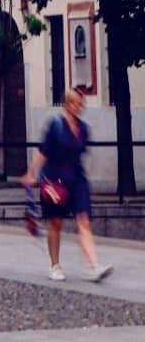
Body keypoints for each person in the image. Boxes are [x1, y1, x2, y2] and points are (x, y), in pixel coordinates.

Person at [24, 86, 112, 283]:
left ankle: (93, 266)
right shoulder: (55, 126)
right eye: (74, 103)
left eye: (81, 104)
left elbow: (79, 154)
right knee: (56, 222)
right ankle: (55, 265)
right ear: (66, 104)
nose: (78, 107)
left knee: (84, 220)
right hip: (55, 179)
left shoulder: (83, 129)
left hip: (77, 179)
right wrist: (31, 174)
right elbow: (43, 152)